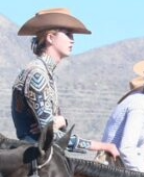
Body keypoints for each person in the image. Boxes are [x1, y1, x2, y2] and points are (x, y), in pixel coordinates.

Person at [12, 8, 118, 157]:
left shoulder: (45, 74)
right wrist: (99, 145)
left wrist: (60, 122)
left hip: (40, 155)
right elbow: (49, 135)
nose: (72, 39)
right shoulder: (37, 74)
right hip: (34, 158)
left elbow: (51, 130)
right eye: (68, 34)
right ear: (50, 38)